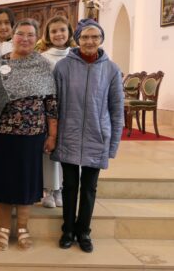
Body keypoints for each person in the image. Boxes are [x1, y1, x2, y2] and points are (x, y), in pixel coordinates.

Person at [0, 18, 58, 251]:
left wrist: (52, 135)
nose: (24, 38)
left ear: (37, 38)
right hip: (2, 135)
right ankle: (3, 228)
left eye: (30, 35)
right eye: (20, 34)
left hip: (32, 135)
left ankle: (23, 228)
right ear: (12, 37)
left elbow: (51, 103)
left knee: (26, 183)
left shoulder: (42, 64)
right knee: (3, 182)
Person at [52, 18, 124, 253]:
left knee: (90, 186)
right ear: (77, 39)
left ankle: (84, 231)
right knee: (70, 184)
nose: (90, 41)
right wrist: (53, 135)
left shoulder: (111, 69)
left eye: (95, 37)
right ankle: (68, 230)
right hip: (68, 134)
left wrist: (112, 145)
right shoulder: (63, 67)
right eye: (85, 37)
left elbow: (116, 108)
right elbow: (54, 105)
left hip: (97, 135)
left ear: (101, 39)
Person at [35, 16, 77, 209]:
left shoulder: (76, 55)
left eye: (62, 30)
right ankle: (48, 190)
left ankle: (61, 188)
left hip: (71, 109)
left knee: (66, 150)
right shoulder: (43, 57)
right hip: (48, 111)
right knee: (49, 149)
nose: (58, 34)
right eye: (54, 31)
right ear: (48, 35)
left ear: (69, 32)